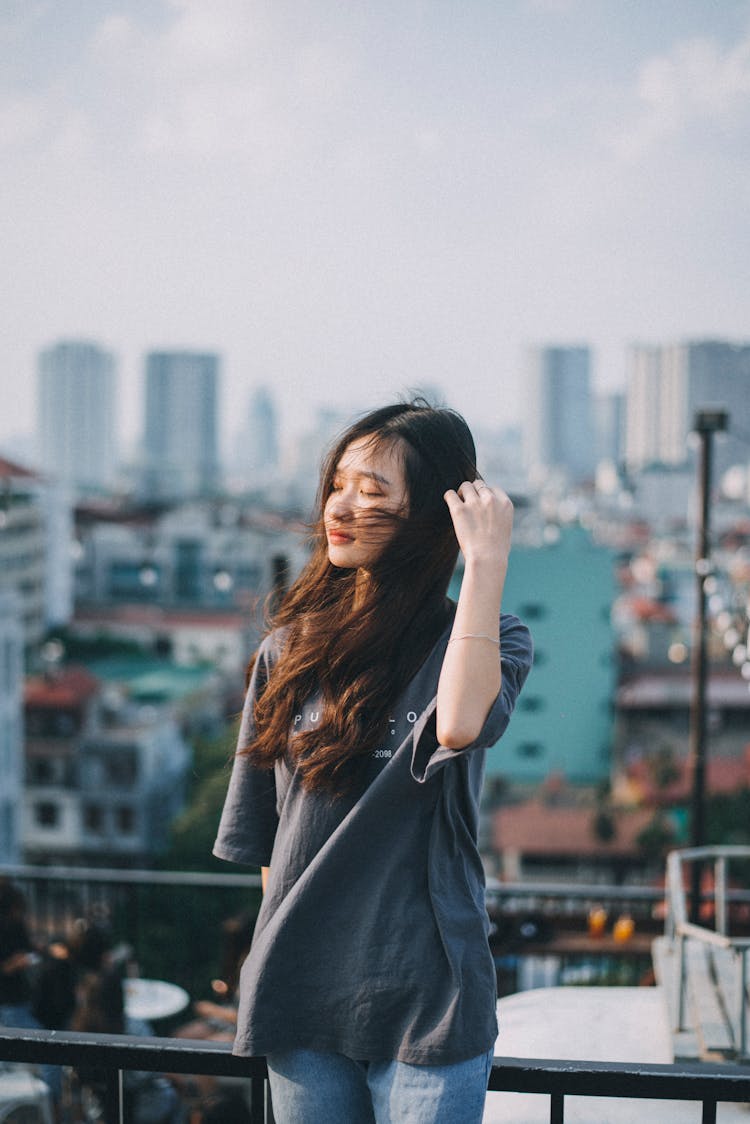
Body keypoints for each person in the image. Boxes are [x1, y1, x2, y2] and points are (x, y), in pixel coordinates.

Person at [213, 400, 533, 1123]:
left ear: (429, 516)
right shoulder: (285, 653)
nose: (343, 506)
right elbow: (271, 848)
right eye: (339, 483)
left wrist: (484, 560)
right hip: (300, 992)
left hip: (430, 996)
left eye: (374, 492)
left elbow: (458, 723)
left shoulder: (489, 641)